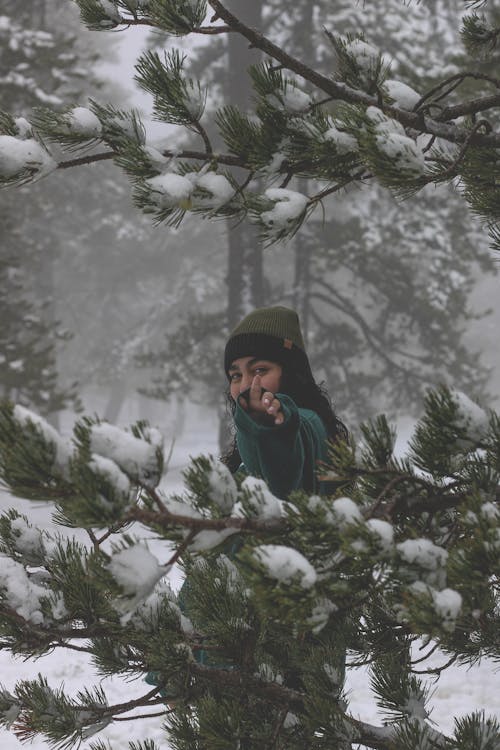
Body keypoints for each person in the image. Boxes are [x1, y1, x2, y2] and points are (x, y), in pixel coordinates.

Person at [222, 304, 347, 498]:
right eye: (236, 375)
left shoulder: (307, 423)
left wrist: (276, 425)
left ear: (290, 372)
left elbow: (282, 482)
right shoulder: (249, 435)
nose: (246, 385)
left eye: (259, 370)